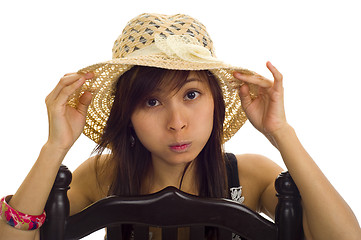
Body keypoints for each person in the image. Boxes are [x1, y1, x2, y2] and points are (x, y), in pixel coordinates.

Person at [0, 13, 360, 240]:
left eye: (191, 94)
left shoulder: (248, 176)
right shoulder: (102, 175)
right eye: (151, 102)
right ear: (128, 114)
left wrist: (282, 133)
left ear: (216, 102)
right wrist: (55, 148)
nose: (177, 123)